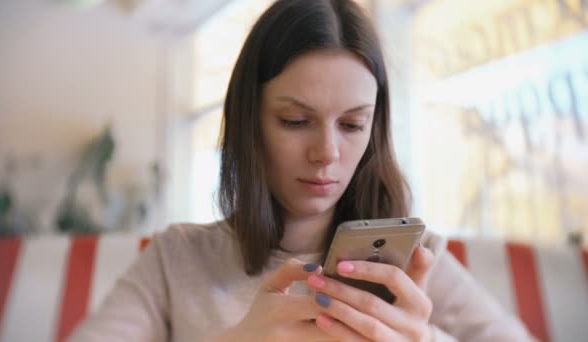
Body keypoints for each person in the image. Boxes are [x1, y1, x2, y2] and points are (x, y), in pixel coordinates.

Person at [70, 0, 535, 341]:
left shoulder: (415, 264)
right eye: (295, 121)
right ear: (249, 119)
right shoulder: (177, 260)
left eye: (353, 124)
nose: (327, 152)